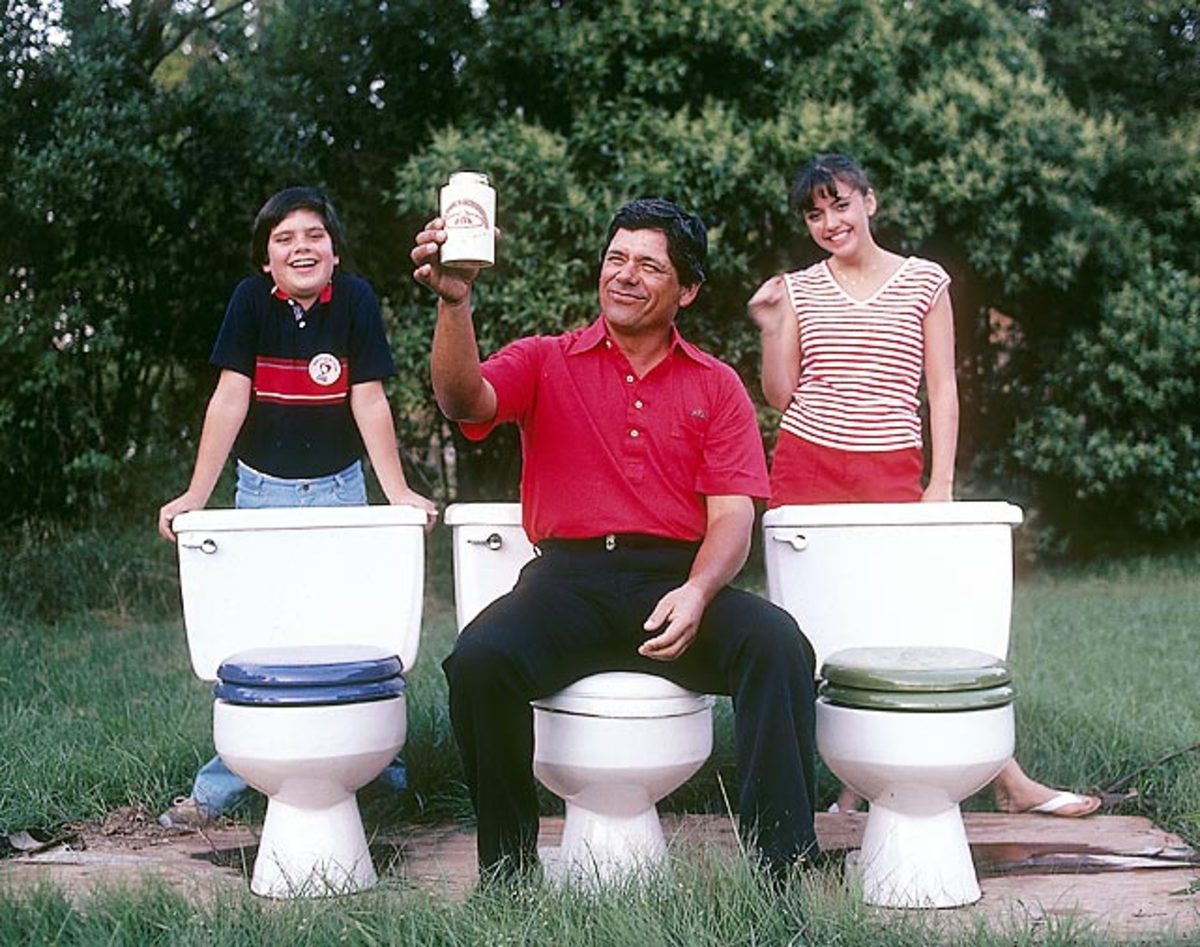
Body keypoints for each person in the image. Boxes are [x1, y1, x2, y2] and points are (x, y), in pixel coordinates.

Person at [412, 197, 820, 882]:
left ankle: (779, 875)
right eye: (615, 259)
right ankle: (509, 877)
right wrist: (455, 302)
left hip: (673, 585)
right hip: (564, 583)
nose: (625, 275)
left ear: (686, 290)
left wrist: (697, 591)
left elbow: (731, 518)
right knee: (480, 660)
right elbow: (462, 400)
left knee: (778, 644)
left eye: (649, 265)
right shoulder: (545, 359)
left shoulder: (716, 384)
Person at [748, 153, 1100, 819]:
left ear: (870, 202)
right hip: (806, 462)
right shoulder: (796, 288)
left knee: (909, 619)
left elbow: (942, 386)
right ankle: (850, 779)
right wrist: (770, 329)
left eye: (840, 204)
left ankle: (1004, 777)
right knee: (815, 624)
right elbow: (780, 392)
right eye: (815, 213)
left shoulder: (924, 281)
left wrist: (940, 481)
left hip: (892, 465)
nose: (830, 221)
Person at [157, 186, 436, 827]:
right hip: (262, 492)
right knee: (257, 640)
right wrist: (196, 496)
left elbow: (368, 399)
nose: (300, 247)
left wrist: (394, 493)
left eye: (313, 235)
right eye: (284, 239)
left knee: (358, 631)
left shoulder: (357, 301)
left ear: (334, 252)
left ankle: (379, 773)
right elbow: (230, 399)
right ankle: (224, 786)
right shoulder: (251, 302)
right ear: (267, 260)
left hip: (342, 489)